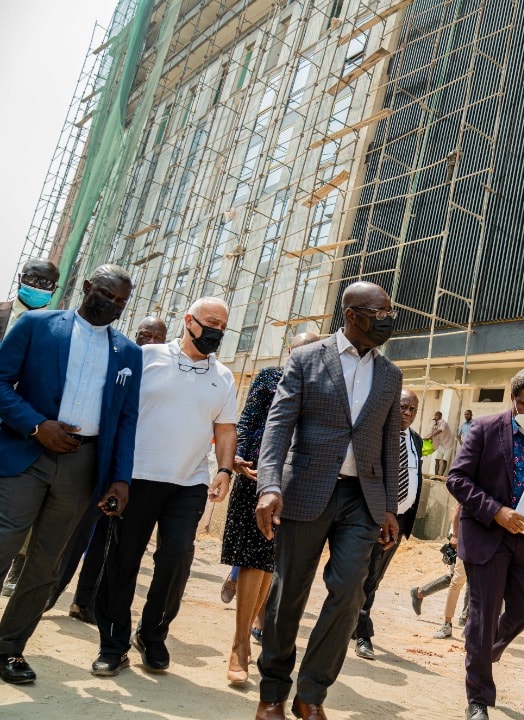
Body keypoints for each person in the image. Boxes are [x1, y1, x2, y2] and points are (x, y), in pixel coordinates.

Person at [254, 281, 402, 720]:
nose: (388, 320)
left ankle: (311, 693)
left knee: (350, 592)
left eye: (389, 311)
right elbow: (278, 426)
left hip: (362, 498)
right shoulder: (306, 359)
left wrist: (391, 507)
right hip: (305, 490)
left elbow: (390, 443)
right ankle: (272, 692)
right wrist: (269, 485)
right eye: (379, 313)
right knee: (288, 593)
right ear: (352, 315)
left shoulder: (390, 374)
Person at [0, 264, 140, 685]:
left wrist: (121, 478)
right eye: (106, 294)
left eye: (120, 301)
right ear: (86, 288)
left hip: (83, 465)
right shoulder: (37, 325)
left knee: (46, 564)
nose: (112, 305)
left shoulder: (128, 353)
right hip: (26, 452)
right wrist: (37, 425)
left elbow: (128, 419)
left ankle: (10, 649)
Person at [92, 297, 238, 677]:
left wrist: (224, 469)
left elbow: (225, 428)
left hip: (188, 483)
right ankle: (113, 643)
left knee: (176, 558)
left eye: (222, 325)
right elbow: (117, 409)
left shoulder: (223, 376)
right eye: (209, 322)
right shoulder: (147, 357)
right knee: (122, 560)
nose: (216, 331)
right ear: (188, 320)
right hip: (136, 478)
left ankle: (152, 635)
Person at [446, 368, 524, 720]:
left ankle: (483, 651)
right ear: (512, 399)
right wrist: (495, 511)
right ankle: (479, 699)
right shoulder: (485, 430)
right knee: (483, 617)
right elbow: (456, 478)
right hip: (487, 536)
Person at [45, 316, 170, 623]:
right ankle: (48, 595)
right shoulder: (118, 361)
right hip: (101, 461)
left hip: (135, 471)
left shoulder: (166, 374)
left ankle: (83, 601)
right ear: (136, 335)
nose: (150, 340)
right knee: (77, 532)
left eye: (157, 336)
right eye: (145, 334)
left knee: (105, 540)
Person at [221, 332, 320, 685]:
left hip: (295, 484)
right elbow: (248, 420)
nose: (303, 356)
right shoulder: (269, 377)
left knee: (268, 563)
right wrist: (242, 459)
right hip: (257, 476)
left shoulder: (321, 388)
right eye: (297, 349)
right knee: (251, 557)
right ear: (288, 351)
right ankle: (240, 644)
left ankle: (248, 631)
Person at [0, 257, 62, 597]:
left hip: (26, 431)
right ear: (20, 277)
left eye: (46, 284)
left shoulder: (55, 327)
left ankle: (15, 567)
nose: (38, 288)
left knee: (18, 511)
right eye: (33, 279)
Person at [353, 388, 425, 660]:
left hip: (401, 522)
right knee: (366, 576)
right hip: (373, 517)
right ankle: (363, 633)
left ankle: (353, 623)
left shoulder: (416, 441)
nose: (407, 414)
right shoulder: (378, 436)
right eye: (403, 407)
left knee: (375, 577)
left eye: (412, 410)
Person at [410, 504, 470, 639]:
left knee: (464, 579)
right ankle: (456, 620)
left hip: (472, 538)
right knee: (456, 579)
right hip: (460, 535)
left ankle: (466, 618)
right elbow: (458, 507)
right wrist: (455, 535)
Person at [425, 411, 454, 476]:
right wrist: (426, 437)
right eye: (435, 415)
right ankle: (436, 475)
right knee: (437, 459)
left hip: (448, 444)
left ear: (440, 416)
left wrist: (431, 436)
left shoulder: (443, 423)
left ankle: (441, 476)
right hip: (441, 444)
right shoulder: (434, 423)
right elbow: (430, 432)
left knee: (444, 460)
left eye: (437, 416)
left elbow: (440, 430)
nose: (435, 417)